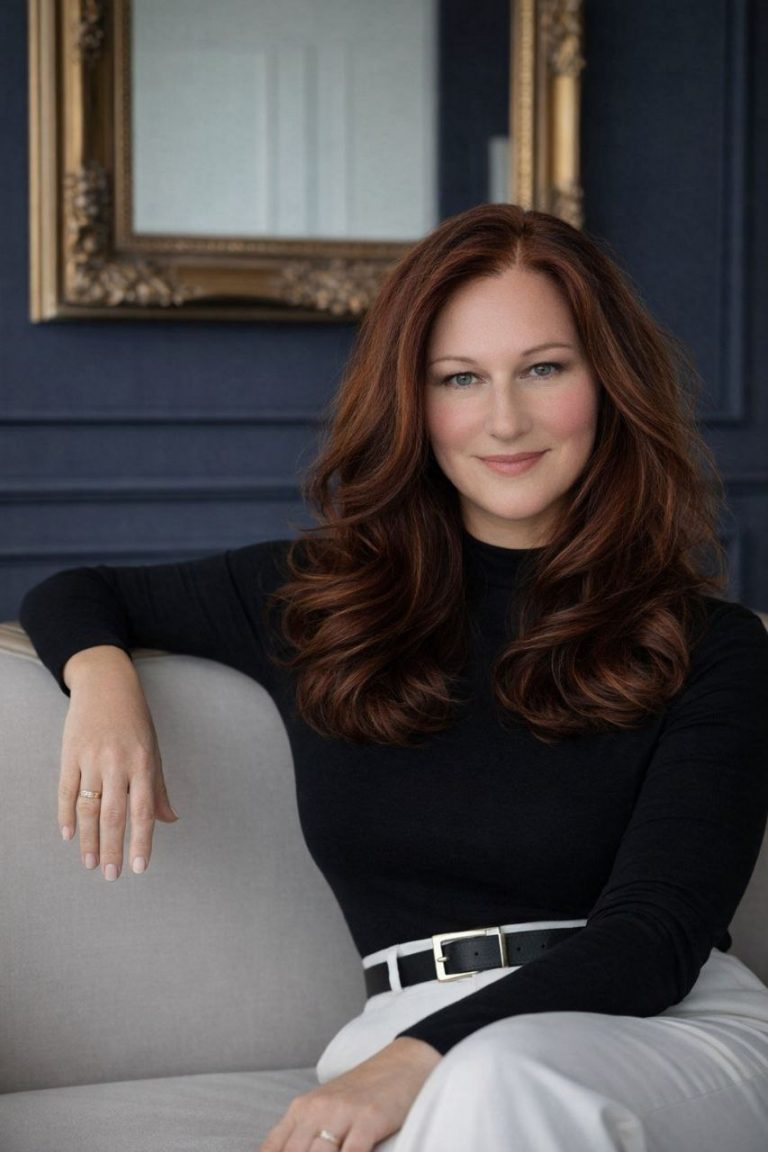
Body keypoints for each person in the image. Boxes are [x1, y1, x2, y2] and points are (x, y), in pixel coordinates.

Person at [19, 202, 768, 1152]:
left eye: (545, 368)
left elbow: (655, 936)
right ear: (412, 400)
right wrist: (102, 686)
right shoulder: (318, 598)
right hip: (414, 1028)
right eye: (460, 378)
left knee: (494, 1080)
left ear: (607, 382)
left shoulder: (711, 646)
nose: (505, 419)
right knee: (482, 1085)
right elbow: (75, 593)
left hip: (667, 1030)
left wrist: (417, 1061)